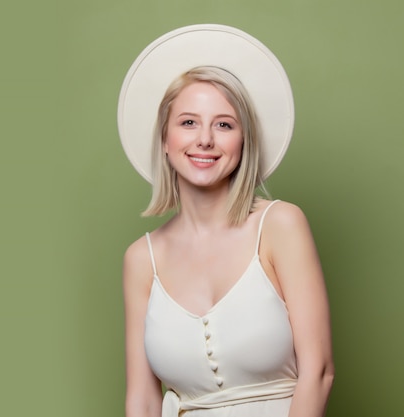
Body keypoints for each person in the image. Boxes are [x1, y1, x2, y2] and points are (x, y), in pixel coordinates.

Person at [117, 25, 334, 417]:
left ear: (243, 140)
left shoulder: (280, 225)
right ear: (165, 141)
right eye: (187, 123)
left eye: (224, 124)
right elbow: (142, 399)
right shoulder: (140, 259)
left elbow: (317, 372)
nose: (204, 140)